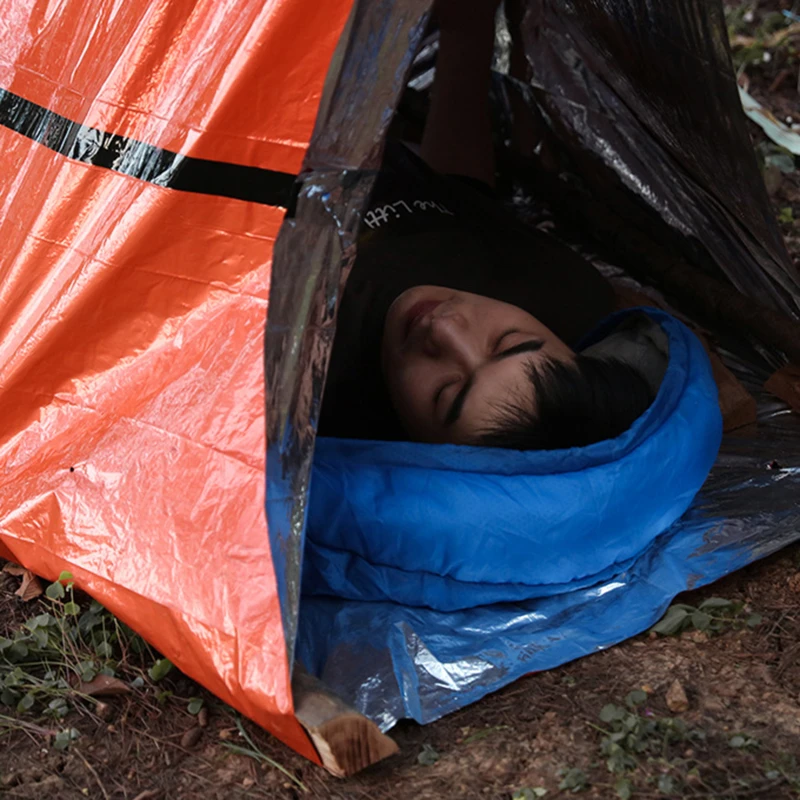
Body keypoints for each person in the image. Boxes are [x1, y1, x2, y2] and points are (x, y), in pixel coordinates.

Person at [318, 0, 656, 449]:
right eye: (507, 341)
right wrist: (466, 35)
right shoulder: (562, 292)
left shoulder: (312, 388)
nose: (443, 328)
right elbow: (460, 198)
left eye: (445, 393)